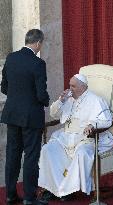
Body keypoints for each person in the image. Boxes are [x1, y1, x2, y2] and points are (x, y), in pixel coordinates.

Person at [38, 73, 113, 203]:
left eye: (73, 86)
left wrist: (93, 125)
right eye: (70, 85)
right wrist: (60, 101)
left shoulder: (95, 100)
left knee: (82, 153)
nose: (70, 88)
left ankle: (67, 190)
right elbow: (53, 114)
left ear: (82, 87)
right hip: (66, 137)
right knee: (47, 149)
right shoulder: (68, 99)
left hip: (85, 138)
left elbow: (107, 120)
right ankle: (52, 187)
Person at [1, 29, 50, 205]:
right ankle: (29, 198)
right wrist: (47, 101)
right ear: (38, 43)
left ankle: (10, 195)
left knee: (12, 156)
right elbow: (41, 94)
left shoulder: (11, 58)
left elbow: (4, 87)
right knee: (31, 156)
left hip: (12, 115)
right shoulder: (38, 63)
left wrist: (17, 97)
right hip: (31, 117)